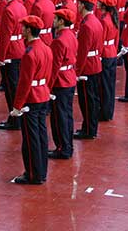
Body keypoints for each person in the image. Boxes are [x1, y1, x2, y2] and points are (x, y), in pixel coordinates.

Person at [10, 16, 52, 185]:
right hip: (43, 94)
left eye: (23, 28)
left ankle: (33, 173)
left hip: (32, 98)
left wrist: (17, 105)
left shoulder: (29, 53)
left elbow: (24, 82)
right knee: (41, 136)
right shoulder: (46, 48)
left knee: (30, 138)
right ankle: (41, 171)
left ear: (28, 30)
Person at [0, 0, 27, 131]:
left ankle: (15, 118)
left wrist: (0, 57)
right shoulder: (21, 6)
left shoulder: (8, 10)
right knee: (16, 86)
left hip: (10, 52)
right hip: (19, 48)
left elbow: (5, 35)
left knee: (10, 87)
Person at [48, 9, 77, 160]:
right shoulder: (71, 35)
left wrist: (48, 87)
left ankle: (62, 147)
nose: (53, 21)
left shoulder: (59, 40)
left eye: (56, 19)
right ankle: (67, 145)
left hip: (60, 81)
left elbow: (54, 67)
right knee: (67, 115)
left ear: (61, 21)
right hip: (69, 78)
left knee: (59, 117)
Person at [74, 0, 103, 139]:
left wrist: (77, 71)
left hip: (88, 66)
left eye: (79, 4)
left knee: (86, 100)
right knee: (92, 99)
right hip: (95, 63)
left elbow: (83, 51)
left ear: (83, 6)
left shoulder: (86, 25)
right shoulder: (95, 21)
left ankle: (89, 129)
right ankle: (90, 127)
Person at [98, 0, 119, 121]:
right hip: (111, 51)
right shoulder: (113, 18)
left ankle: (104, 112)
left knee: (104, 85)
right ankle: (108, 110)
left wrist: (99, 55)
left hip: (105, 53)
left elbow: (101, 40)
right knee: (110, 84)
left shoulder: (104, 20)